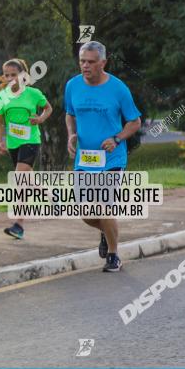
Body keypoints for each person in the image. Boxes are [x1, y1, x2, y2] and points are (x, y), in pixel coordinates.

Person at [64, 41, 142, 272]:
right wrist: (71, 135)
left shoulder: (118, 88)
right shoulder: (72, 86)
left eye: (90, 62)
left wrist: (117, 138)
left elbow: (135, 121)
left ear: (103, 63)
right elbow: (69, 114)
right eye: (82, 61)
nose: (85, 66)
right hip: (85, 159)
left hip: (111, 159)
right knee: (85, 213)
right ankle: (105, 232)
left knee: (104, 206)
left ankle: (113, 255)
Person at [0, 58, 53, 239]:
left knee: (20, 181)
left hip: (30, 141)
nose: (10, 78)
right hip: (13, 144)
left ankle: (19, 224)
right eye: (7, 75)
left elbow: (48, 108)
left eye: (14, 74)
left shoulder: (33, 93)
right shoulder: (1, 97)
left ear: (23, 75)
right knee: (28, 180)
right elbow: (0, 123)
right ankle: (52, 196)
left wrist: (40, 119)